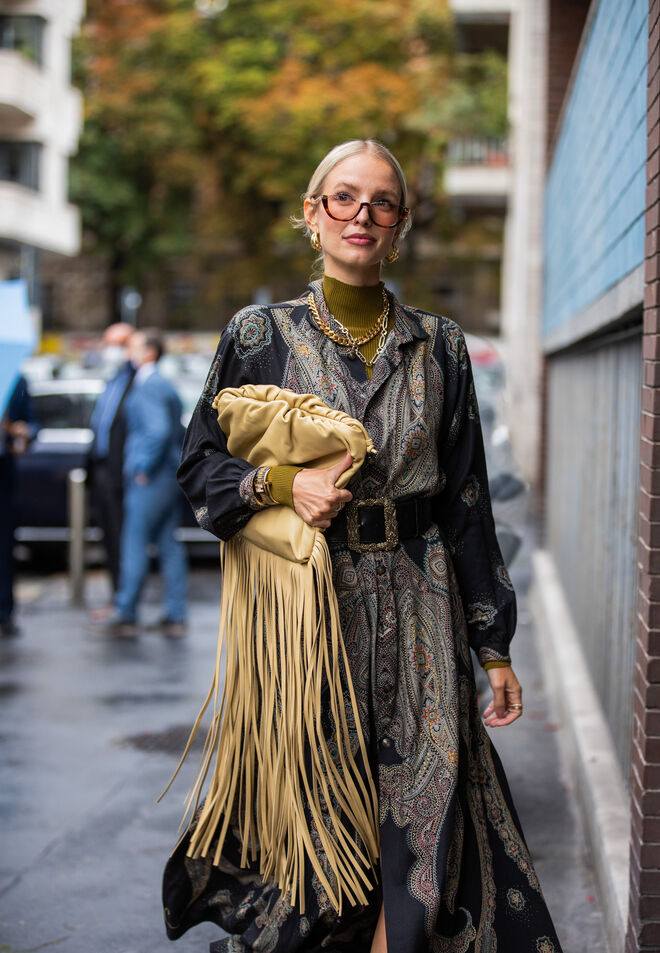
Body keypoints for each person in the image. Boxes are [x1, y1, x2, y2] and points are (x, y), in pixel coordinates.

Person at [163, 140, 563, 952]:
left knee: (429, 816)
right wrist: (281, 484)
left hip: (423, 605)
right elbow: (199, 464)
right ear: (313, 214)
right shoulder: (259, 334)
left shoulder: (440, 345)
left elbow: (467, 499)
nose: (362, 215)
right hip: (310, 614)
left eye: (382, 202)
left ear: (400, 224)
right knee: (324, 840)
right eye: (343, 197)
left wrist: (492, 644)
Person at [107, 329, 188, 638]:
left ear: (150, 352)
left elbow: (158, 431)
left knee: (135, 542)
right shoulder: (161, 384)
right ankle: (175, 614)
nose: (128, 351)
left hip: (152, 476)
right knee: (168, 544)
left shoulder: (150, 386)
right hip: (166, 475)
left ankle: (126, 612)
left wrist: (142, 467)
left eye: (134, 346)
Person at [88, 322, 136, 605]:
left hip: (121, 470)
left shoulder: (137, 379)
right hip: (101, 467)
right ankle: (117, 596)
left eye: (116, 345)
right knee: (107, 533)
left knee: (121, 536)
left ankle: (123, 600)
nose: (110, 350)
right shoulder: (112, 379)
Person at [0, 375, 37, 637]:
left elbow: (33, 424)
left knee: (4, 548)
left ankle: (4, 612)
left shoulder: (15, 380)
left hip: (4, 475)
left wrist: (24, 432)